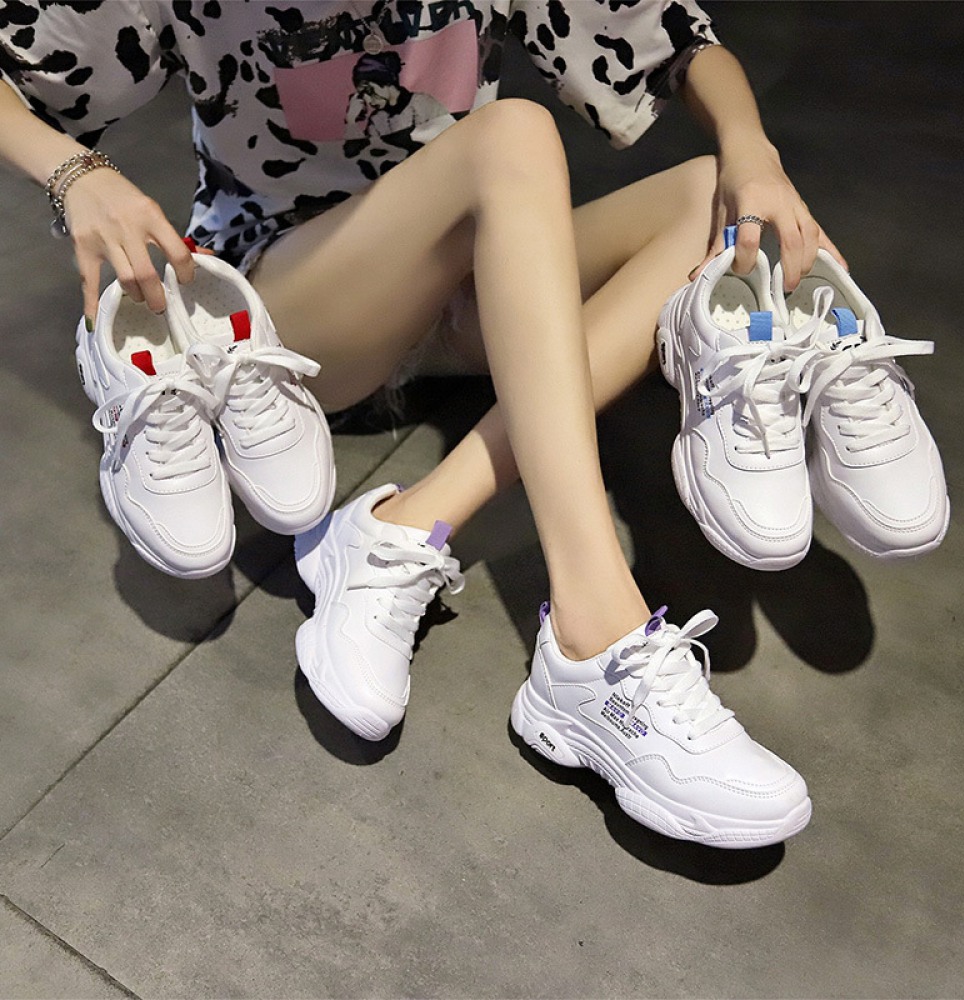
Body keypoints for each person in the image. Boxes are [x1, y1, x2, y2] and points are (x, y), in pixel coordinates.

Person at [0, 1, 849, 848]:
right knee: (512, 135)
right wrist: (75, 173)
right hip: (296, 310)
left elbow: (670, 33)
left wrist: (753, 150)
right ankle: (595, 631)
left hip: (467, 276)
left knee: (713, 201)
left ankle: (407, 520)